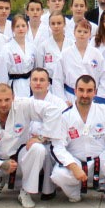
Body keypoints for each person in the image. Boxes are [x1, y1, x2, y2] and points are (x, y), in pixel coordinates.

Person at [0, 84, 65, 208]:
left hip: (19, 158)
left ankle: (26, 191)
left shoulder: (23, 105)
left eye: (7, 99)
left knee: (38, 149)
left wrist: (42, 137)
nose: (3, 104)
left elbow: (53, 111)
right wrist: (0, 164)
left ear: (13, 97)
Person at [50, 75, 105, 205]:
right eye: (81, 90)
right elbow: (58, 147)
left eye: (89, 91)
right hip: (76, 163)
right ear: (75, 91)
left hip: (101, 162)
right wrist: (73, 167)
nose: (85, 95)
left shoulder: (104, 111)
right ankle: (74, 193)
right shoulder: (65, 116)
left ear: (95, 92)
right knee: (58, 175)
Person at [25, 67, 70, 200]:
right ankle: (25, 187)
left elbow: (61, 131)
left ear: (48, 84)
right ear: (30, 83)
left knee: (43, 149)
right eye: (35, 80)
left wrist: (41, 137)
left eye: (42, 80)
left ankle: (48, 189)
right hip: (30, 144)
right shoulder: (25, 103)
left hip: (53, 144)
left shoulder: (59, 103)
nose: (38, 83)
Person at [57, 19, 105, 106]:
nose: (82, 34)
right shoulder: (65, 54)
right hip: (71, 97)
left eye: (85, 32)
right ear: (74, 32)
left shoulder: (96, 54)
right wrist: (63, 101)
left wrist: (100, 99)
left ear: (90, 34)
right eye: (79, 31)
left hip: (92, 98)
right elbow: (58, 80)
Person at [0, 14, 36, 97]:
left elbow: (36, 68)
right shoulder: (6, 49)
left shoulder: (32, 47)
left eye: (23, 26)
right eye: (17, 26)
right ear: (13, 29)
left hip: (30, 85)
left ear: (27, 27)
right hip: (14, 86)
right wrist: (4, 91)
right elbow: (2, 73)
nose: (21, 29)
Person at [35, 12, 72, 98]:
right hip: (49, 88)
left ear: (64, 24)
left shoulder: (72, 44)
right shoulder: (43, 46)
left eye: (59, 23)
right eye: (53, 23)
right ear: (49, 25)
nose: (56, 26)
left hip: (68, 88)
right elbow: (39, 69)